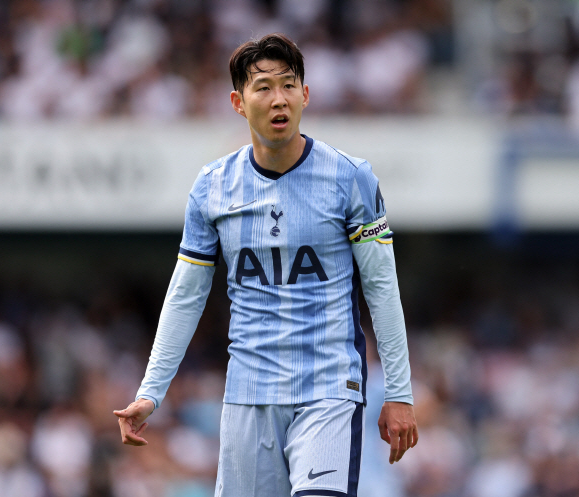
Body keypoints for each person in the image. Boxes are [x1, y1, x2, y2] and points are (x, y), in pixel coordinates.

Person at [113, 33, 418, 497]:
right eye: (263, 87)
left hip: (330, 389)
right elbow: (186, 295)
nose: (279, 99)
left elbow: (382, 287)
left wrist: (399, 392)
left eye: (289, 85)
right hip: (248, 393)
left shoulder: (351, 177)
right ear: (238, 102)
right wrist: (151, 390)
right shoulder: (213, 186)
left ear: (306, 95)